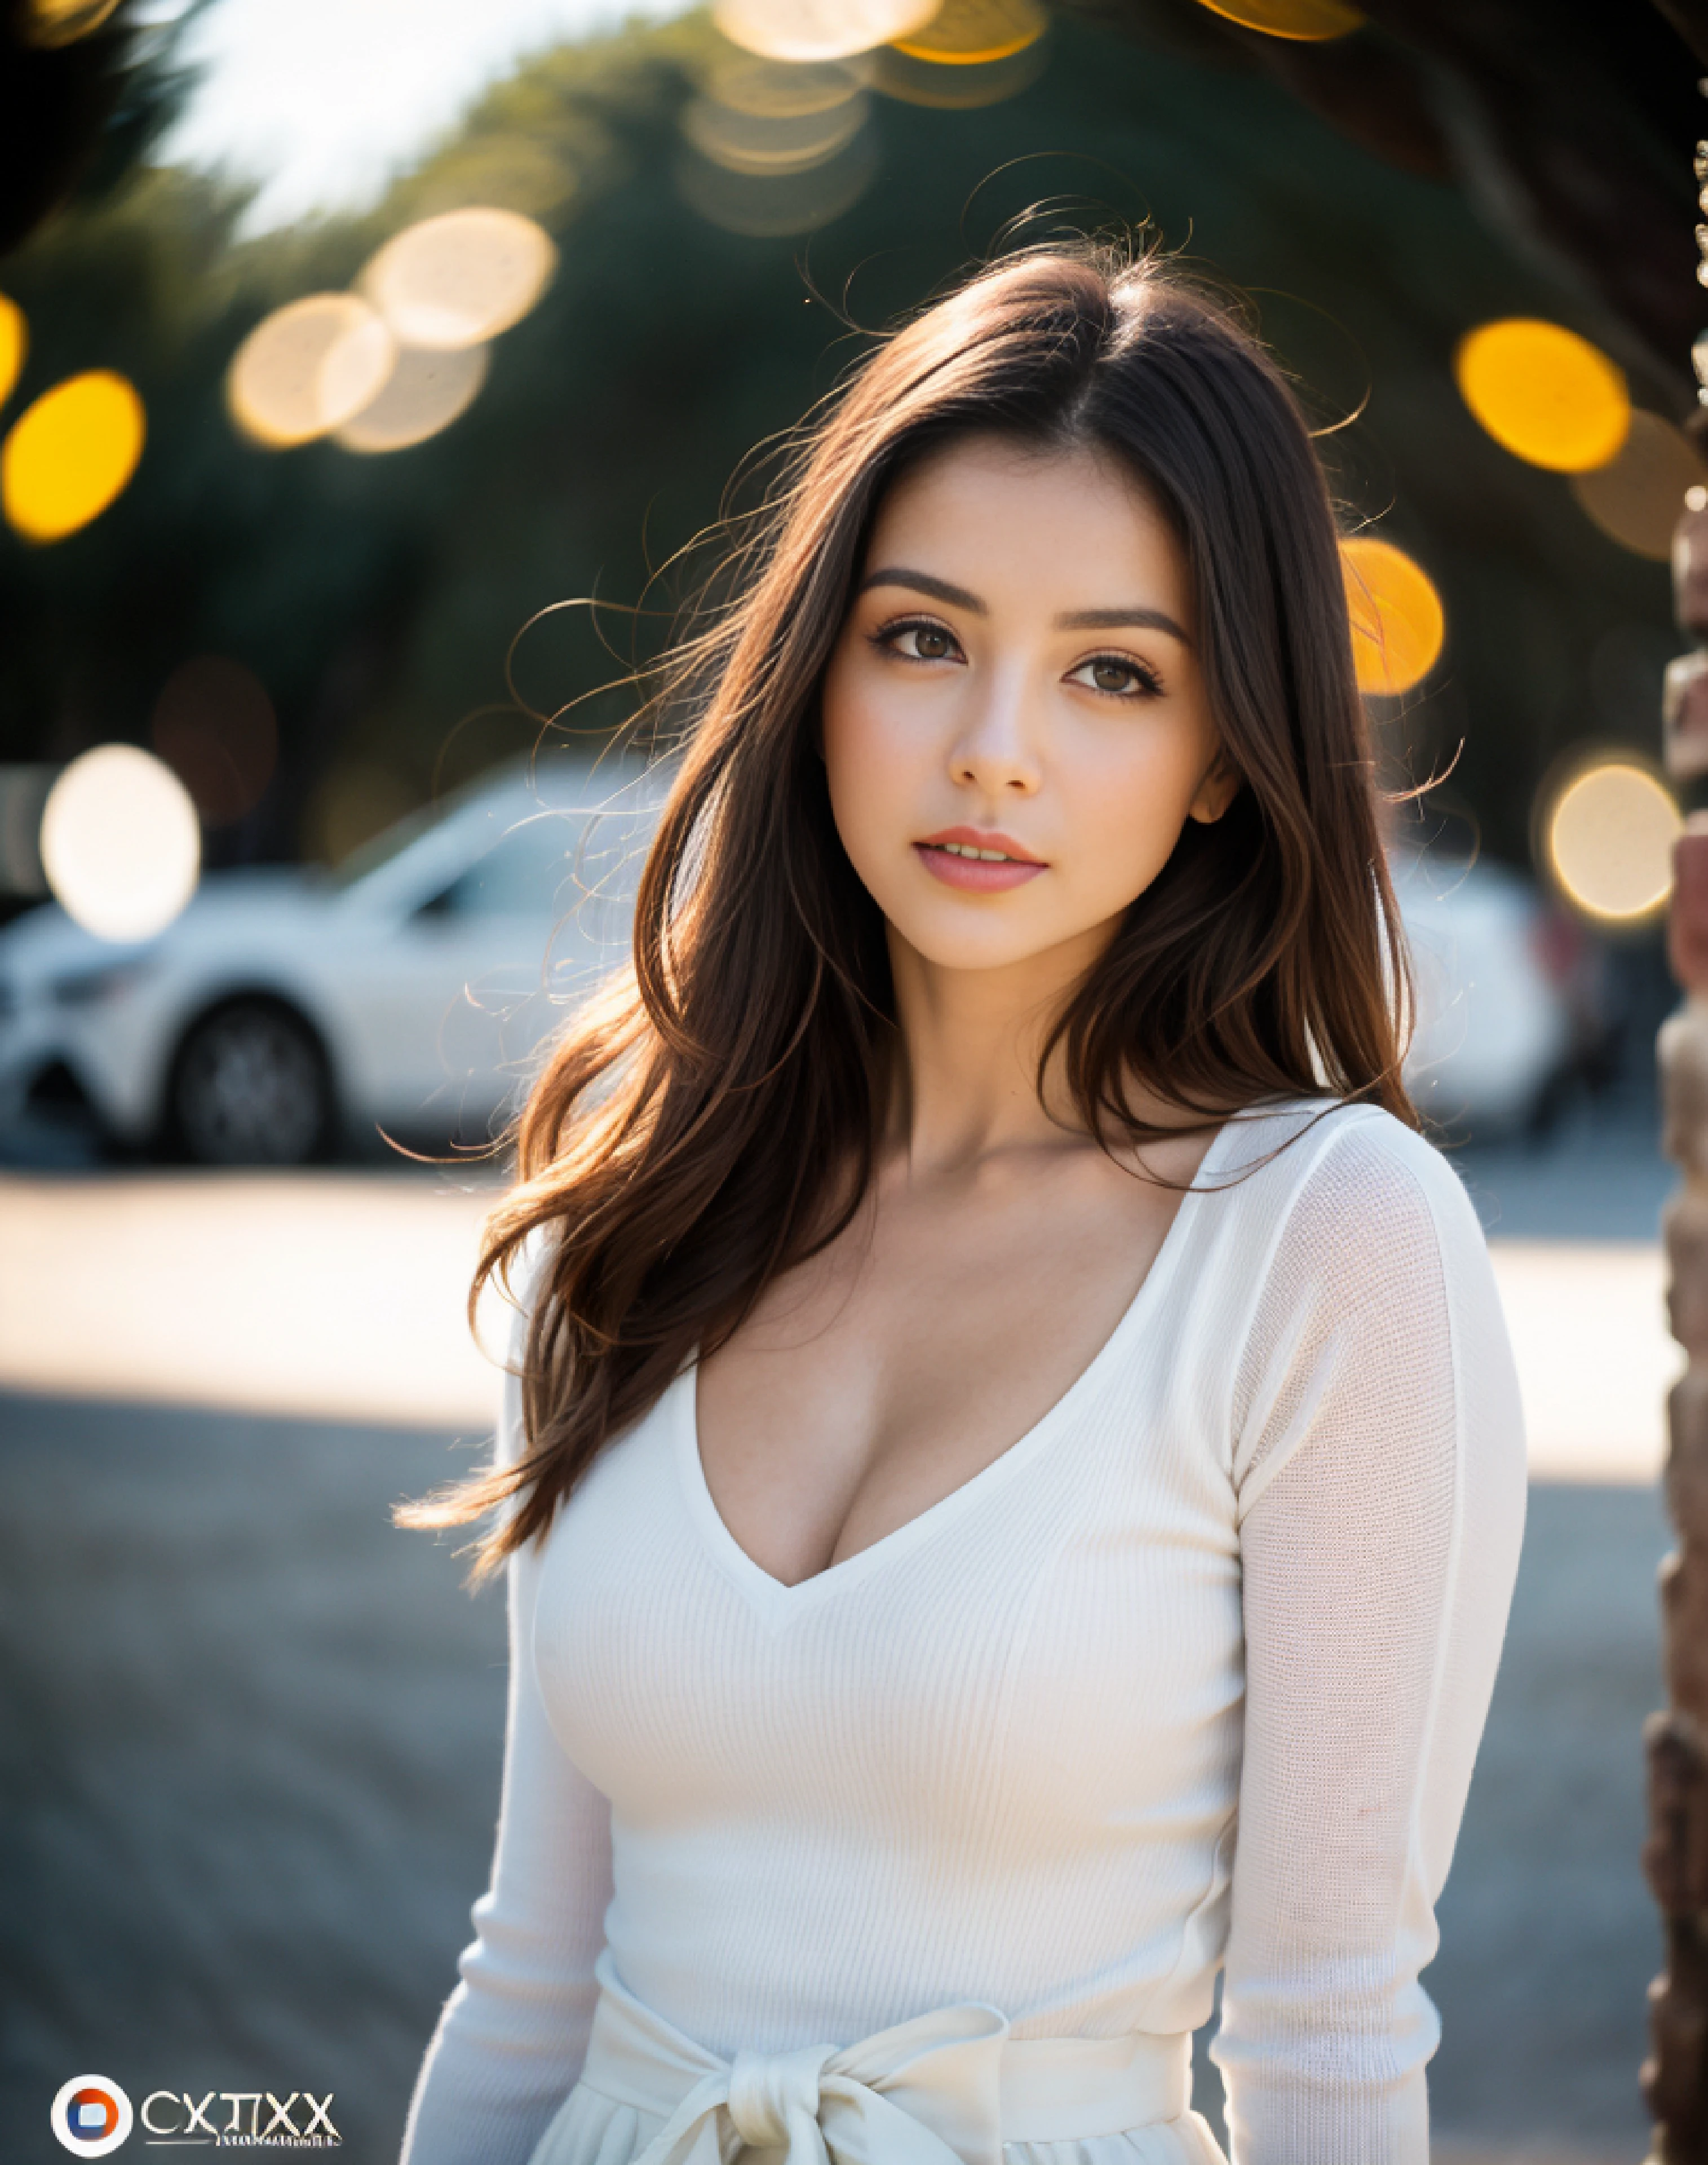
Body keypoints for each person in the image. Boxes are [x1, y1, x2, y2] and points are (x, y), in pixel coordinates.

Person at [393, 240, 1527, 2165]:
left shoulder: (1327, 1243)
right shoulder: (641, 1202)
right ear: (819, 666)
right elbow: (528, 1975)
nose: (992, 741)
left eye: (1109, 671)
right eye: (919, 637)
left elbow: (1326, 2039)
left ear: (1219, 763)